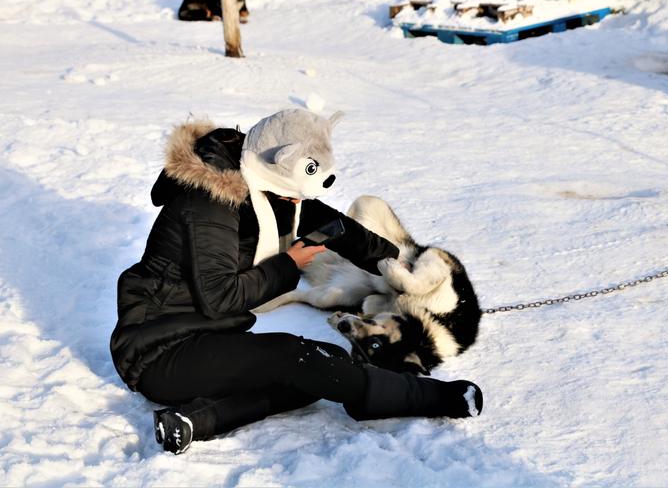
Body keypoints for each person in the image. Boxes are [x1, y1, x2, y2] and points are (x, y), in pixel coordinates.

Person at [109, 109, 483, 454]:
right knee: (300, 359)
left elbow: (337, 228)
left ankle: (196, 420)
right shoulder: (208, 204)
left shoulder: (262, 186)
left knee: (328, 362)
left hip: (210, 338)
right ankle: (429, 397)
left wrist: (391, 259)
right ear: (278, 162)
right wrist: (290, 263)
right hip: (159, 350)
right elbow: (221, 297)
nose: (297, 202)